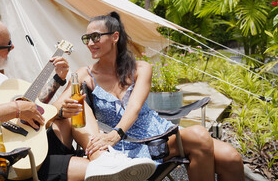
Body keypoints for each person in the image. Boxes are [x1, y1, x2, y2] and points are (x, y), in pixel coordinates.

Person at [0, 18, 156, 181]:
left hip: (28, 144)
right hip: (3, 160)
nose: (12, 48)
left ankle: (103, 157)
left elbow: (32, 108)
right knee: (104, 176)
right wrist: (15, 108)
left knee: (76, 104)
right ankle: (103, 163)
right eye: (7, 45)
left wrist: (57, 79)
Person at [55, 12, 245, 181]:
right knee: (199, 135)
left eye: (95, 37)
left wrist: (116, 133)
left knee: (231, 158)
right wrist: (59, 84)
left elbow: (135, 106)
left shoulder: (140, 68)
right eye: (86, 38)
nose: (90, 43)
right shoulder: (84, 75)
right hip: (123, 149)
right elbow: (54, 108)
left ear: (114, 37)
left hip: (158, 136)